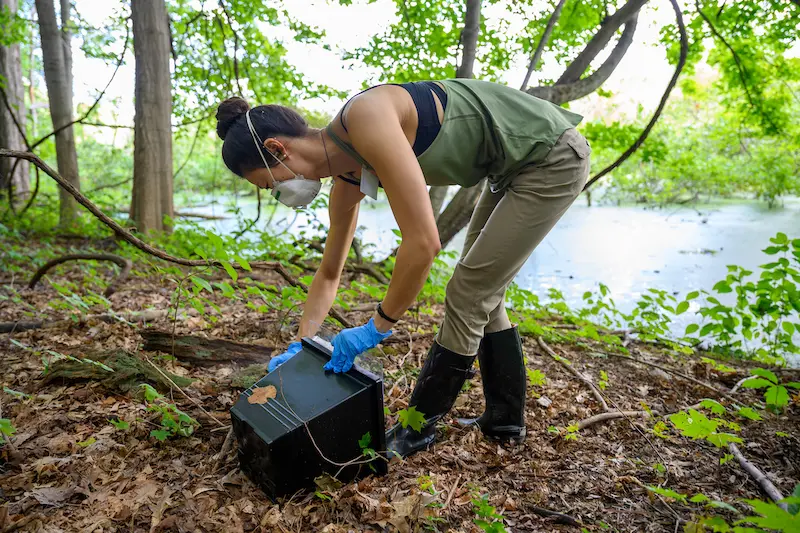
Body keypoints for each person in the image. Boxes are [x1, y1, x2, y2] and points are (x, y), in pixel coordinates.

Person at [215, 78, 591, 459]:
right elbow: (330, 273)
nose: (279, 195)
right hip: (508, 171)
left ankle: (418, 428)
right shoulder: (347, 177)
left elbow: (424, 243)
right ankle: (504, 421)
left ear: (277, 149)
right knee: (483, 289)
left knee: (469, 289)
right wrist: (303, 346)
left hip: (551, 155)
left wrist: (377, 326)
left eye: (269, 186)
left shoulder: (366, 118)